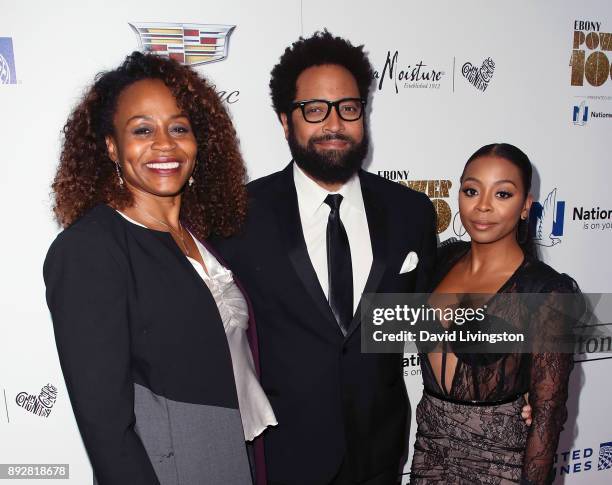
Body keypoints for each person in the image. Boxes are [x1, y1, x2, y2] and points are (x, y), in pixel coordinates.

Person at [211, 31, 437, 485]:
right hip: (282, 457)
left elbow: (432, 325)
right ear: (284, 120)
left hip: (378, 457)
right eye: (314, 109)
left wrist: (512, 392)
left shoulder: (411, 213)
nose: (334, 124)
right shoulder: (238, 216)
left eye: (348, 108)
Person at [43, 51, 275, 485]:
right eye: (143, 130)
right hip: (169, 467)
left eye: (179, 128)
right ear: (111, 146)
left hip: (231, 456)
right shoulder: (90, 249)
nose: (165, 144)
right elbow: (105, 427)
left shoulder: (199, 239)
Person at [409, 143, 580, 484]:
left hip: (500, 465)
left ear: (525, 207)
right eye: (471, 190)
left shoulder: (546, 291)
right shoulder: (441, 262)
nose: (482, 206)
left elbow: (546, 417)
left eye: (502, 194)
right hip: (429, 454)